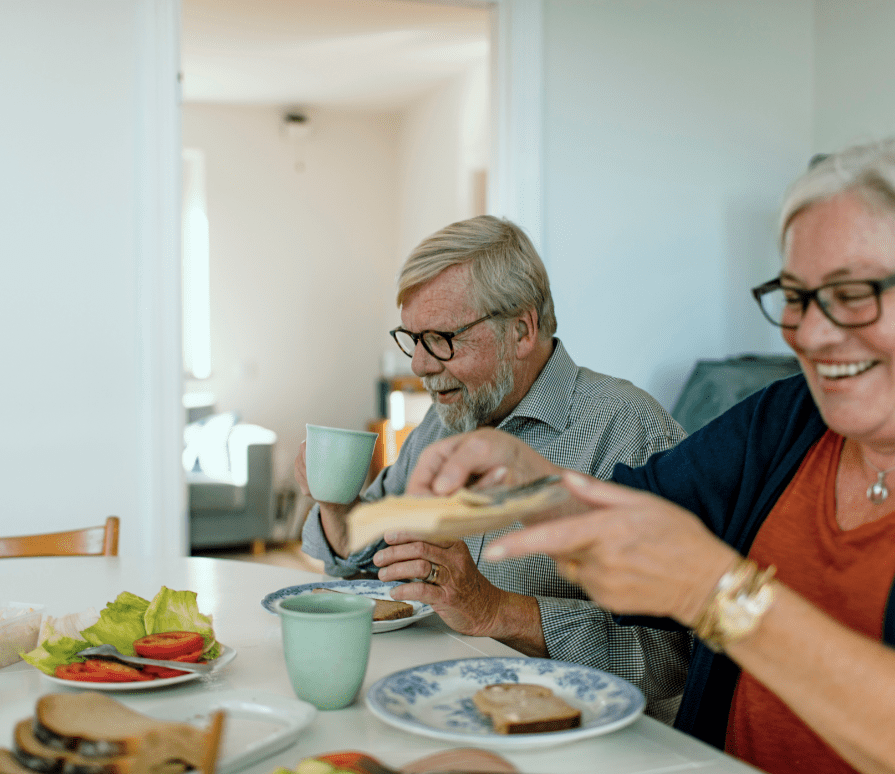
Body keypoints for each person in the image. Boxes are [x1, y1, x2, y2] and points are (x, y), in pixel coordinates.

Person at [405, 136, 895, 774]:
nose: (808, 333)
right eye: (794, 295)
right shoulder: (787, 419)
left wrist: (719, 597)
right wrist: (531, 481)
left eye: (852, 293)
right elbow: (639, 517)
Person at [296, 215, 690, 722]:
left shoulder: (632, 431)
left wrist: (495, 611)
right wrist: (336, 505)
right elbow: (362, 565)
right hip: (446, 707)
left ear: (522, 330)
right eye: (411, 338)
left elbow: (676, 654)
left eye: (439, 337)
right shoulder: (443, 425)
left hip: (592, 738)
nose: (418, 365)